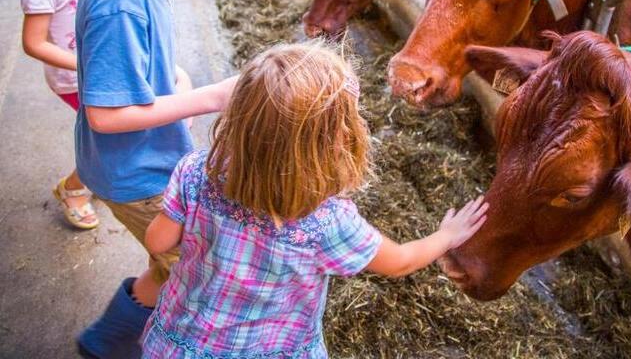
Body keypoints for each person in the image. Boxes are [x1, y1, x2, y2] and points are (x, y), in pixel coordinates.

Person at [140, 42, 489, 358]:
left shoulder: (198, 170)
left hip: (179, 341)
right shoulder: (327, 223)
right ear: (334, 143)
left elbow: (158, 241)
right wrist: (446, 236)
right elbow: (399, 262)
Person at [74, 0, 237, 359]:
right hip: (138, 175)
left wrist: (172, 83)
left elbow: (133, 66)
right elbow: (106, 114)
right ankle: (134, 343)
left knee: (170, 261)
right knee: (195, 267)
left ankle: (109, 338)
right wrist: (211, 96)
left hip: (143, 159)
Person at [13, 0, 99, 230]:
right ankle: (74, 189)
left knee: (106, 133)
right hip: (73, 77)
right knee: (106, 135)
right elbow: (33, 43)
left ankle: (92, 177)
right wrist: (80, 64)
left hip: (90, 69)